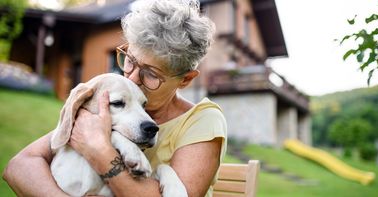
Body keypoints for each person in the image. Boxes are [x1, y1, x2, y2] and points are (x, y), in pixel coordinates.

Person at [2, 0, 227, 196]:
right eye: (130, 60)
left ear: (185, 79)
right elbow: (19, 166)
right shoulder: (107, 102)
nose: (130, 77)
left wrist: (99, 150)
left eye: (151, 74)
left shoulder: (203, 120)